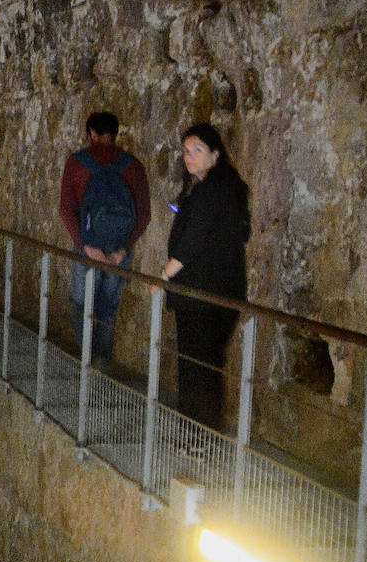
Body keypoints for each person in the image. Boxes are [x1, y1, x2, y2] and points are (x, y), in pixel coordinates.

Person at [158, 122, 251, 432]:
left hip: (203, 295)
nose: (190, 157)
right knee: (202, 365)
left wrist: (164, 276)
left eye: (197, 150)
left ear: (215, 153)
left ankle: (199, 435)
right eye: (186, 151)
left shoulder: (213, 190)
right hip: (215, 292)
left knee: (197, 367)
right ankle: (197, 432)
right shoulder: (220, 188)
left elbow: (193, 240)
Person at [58, 111, 152, 362]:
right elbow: (144, 214)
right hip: (118, 251)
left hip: (88, 248)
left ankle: (84, 361)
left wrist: (84, 246)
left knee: (81, 304)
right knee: (107, 308)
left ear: (91, 133)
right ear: (115, 133)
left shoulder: (77, 163)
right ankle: (103, 364)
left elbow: (66, 209)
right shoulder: (132, 166)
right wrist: (123, 249)